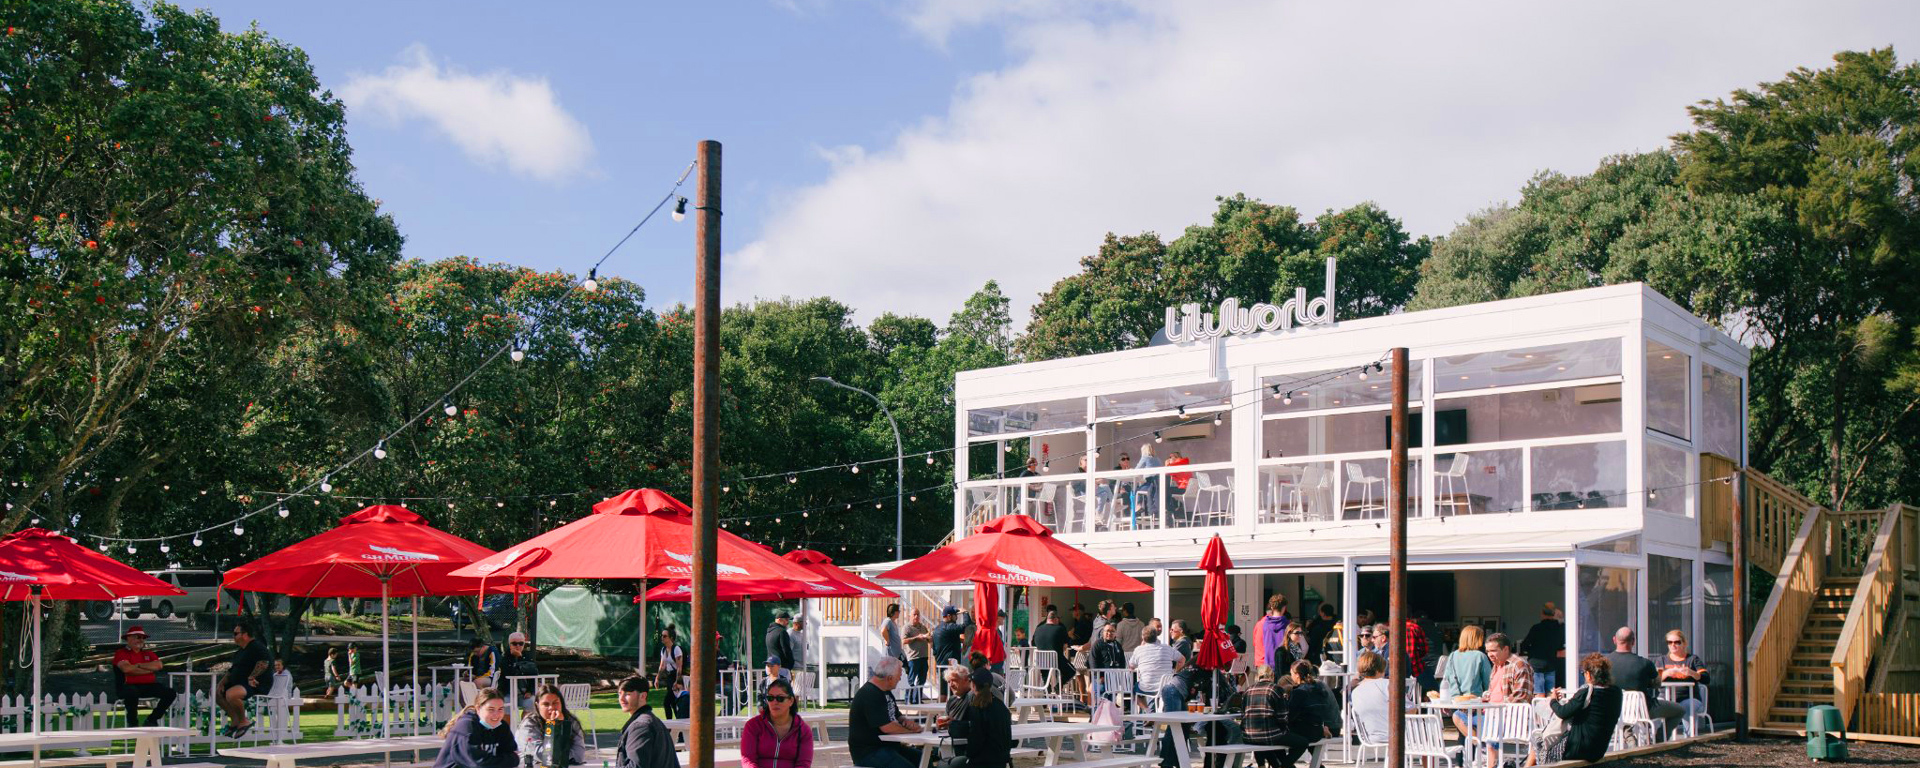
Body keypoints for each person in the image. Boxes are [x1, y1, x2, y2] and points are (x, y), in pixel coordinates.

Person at [1528, 654, 1622, 766]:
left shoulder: (1587, 691)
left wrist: (1553, 700)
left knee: (1538, 740)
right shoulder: (1616, 692)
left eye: (1583, 673)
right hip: (1599, 749)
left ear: (1588, 674)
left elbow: (1563, 712)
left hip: (1578, 748)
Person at [1606, 627, 1684, 732]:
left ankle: (1627, 733)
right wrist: (1660, 672)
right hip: (1642, 710)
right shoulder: (1644, 663)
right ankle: (1658, 741)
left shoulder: (1604, 663)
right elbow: (1657, 684)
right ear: (1633, 641)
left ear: (1614, 640)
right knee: (1680, 710)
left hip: (1614, 711)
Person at [849, 656, 922, 768]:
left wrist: (906, 721)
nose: (899, 679)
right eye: (898, 676)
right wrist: (911, 731)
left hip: (888, 747)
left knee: (924, 759)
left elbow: (896, 715)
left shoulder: (885, 692)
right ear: (889, 678)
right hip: (869, 752)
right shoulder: (869, 694)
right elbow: (887, 727)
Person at [1477, 633, 1533, 768]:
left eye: (1493, 650)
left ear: (1506, 649)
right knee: (1459, 716)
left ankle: (1490, 754)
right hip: (1491, 713)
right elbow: (1493, 693)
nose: (1489, 654)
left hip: (1508, 716)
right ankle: (1487, 748)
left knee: (1489, 730)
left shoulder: (1518, 665)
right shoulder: (1496, 666)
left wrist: (1495, 708)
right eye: (1488, 651)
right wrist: (1483, 700)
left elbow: (1521, 697)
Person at [948, 667, 1014, 768]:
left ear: (973, 685)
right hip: (1001, 762)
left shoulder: (978, 707)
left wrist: (968, 754)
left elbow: (976, 740)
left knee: (946, 764)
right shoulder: (1001, 706)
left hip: (982, 762)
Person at [435, 687, 518, 768]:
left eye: (500, 709)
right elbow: (477, 763)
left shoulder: (501, 726)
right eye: (491, 709)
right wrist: (506, 761)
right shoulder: (466, 726)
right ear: (478, 708)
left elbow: (513, 755)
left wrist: (507, 760)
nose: (496, 714)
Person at [217, 621, 272, 739]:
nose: (233, 636)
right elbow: (232, 670)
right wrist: (221, 683)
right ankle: (235, 720)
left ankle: (244, 721)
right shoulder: (240, 651)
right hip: (240, 683)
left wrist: (252, 676)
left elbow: (264, 662)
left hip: (255, 684)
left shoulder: (257, 647)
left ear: (245, 635)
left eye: (235, 633)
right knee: (217, 693)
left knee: (231, 694)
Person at [741, 678, 813, 768]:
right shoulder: (753, 726)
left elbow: (803, 764)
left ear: (791, 701)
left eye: (780, 698)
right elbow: (748, 760)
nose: (774, 702)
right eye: (770, 698)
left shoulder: (803, 731)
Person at [112, 626, 177, 727]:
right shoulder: (121, 653)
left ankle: (152, 719)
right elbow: (126, 669)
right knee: (131, 692)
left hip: (148, 686)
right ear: (129, 638)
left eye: (143, 638)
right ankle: (133, 723)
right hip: (127, 685)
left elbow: (159, 665)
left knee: (170, 693)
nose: (141, 640)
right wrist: (149, 669)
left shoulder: (148, 653)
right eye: (138, 637)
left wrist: (138, 665)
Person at [1283, 661, 1340, 767]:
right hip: (1317, 730)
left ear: (1297, 675)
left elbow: (1290, 716)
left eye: (1291, 674)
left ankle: (1283, 764)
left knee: (1278, 737)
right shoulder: (1319, 688)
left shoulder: (1298, 692)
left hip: (1304, 732)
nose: (1291, 677)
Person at [1440, 624, 1494, 736]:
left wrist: (1445, 701)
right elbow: (1489, 681)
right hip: (1474, 702)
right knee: (1474, 733)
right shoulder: (1480, 656)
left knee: (1462, 733)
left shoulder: (1453, 655)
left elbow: (1446, 680)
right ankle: (1477, 750)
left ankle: (1462, 754)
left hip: (1456, 701)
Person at [612, 676, 677, 768]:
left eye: (627, 694)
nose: (621, 699)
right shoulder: (652, 721)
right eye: (619, 694)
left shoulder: (641, 726)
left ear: (643, 696)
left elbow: (636, 766)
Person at [518, 685, 587, 768]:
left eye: (555, 703)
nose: (551, 708)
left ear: (561, 703)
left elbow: (579, 754)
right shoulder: (529, 724)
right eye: (546, 704)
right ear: (537, 705)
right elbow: (546, 756)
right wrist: (554, 726)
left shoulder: (571, 721)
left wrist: (563, 725)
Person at [1655, 629, 1711, 726]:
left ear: (1684, 643)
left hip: (1689, 697)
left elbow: (1706, 679)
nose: (1673, 645)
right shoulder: (1662, 660)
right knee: (1654, 707)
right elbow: (1654, 681)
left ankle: (1690, 739)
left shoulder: (1692, 659)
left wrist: (1692, 673)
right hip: (1665, 697)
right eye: (1670, 642)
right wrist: (1666, 673)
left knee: (1688, 706)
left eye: (1677, 642)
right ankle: (1655, 738)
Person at [1237, 666, 1289, 768]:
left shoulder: (1248, 690)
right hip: (1270, 735)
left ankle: (1262, 765)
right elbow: (1282, 717)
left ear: (1257, 676)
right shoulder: (1276, 689)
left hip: (1249, 736)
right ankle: (1284, 765)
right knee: (1299, 742)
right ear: (1273, 676)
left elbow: (1243, 716)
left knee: (1260, 737)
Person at [1348, 651, 1398, 744]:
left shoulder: (1355, 691)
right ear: (1379, 670)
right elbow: (1410, 709)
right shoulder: (1387, 684)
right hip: (1396, 736)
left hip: (1369, 737)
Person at [1520, 603, 1566, 694]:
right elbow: (1561, 646)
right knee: (1551, 693)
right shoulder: (1560, 629)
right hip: (1551, 664)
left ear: (1542, 614)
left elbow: (1524, 645)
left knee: (1538, 693)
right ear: (1553, 615)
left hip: (1536, 664)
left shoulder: (1536, 628)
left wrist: (1532, 651)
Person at [1128, 625, 1183, 694]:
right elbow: (1182, 659)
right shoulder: (1167, 648)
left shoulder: (1139, 650)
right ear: (1156, 636)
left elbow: (1131, 666)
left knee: (1135, 688)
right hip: (1166, 687)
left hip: (1146, 688)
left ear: (1143, 637)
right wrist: (1176, 674)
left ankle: (1144, 705)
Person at [1030, 607, 1073, 688]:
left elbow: (1033, 643)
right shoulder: (1060, 628)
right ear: (1056, 619)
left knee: (1045, 673)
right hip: (1056, 661)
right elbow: (1068, 642)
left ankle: (1047, 688)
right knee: (1072, 671)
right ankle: (1058, 686)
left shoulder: (1038, 629)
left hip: (1041, 662)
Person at [501, 631, 540, 710]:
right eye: (514, 643)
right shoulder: (505, 657)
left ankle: (525, 722)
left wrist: (530, 691)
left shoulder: (528, 656)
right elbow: (509, 673)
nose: (518, 646)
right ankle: (509, 723)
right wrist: (515, 658)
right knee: (506, 703)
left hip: (524, 694)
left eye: (521, 643)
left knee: (531, 702)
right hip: (508, 693)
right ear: (510, 645)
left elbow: (534, 673)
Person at [902, 609, 931, 705]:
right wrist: (916, 638)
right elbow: (904, 641)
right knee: (911, 680)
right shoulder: (907, 627)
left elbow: (928, 639)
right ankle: (908, 700)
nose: (916, 617)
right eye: (914, 614)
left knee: (921, 680)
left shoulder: (923, 627)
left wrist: (929, 637)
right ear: (910, 616)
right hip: (913, 658)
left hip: (924, 657)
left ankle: (917, 700)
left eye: (918, 614)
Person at [1256, 595, 1291, 670]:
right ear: (1284, 608)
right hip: (1284, 664)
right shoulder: (1288, 625)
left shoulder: (1264, 624)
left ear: (1271, 607)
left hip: (1267, 665)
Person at [766, 610, 797, 679]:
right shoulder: (782, 632)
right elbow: (786, 650)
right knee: (783, 688)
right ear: (779, 620)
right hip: (781, 667)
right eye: (786, 619)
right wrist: (790, 666)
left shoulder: (769, 632)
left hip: (769, 666)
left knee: (772, 687)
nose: (788, 622)